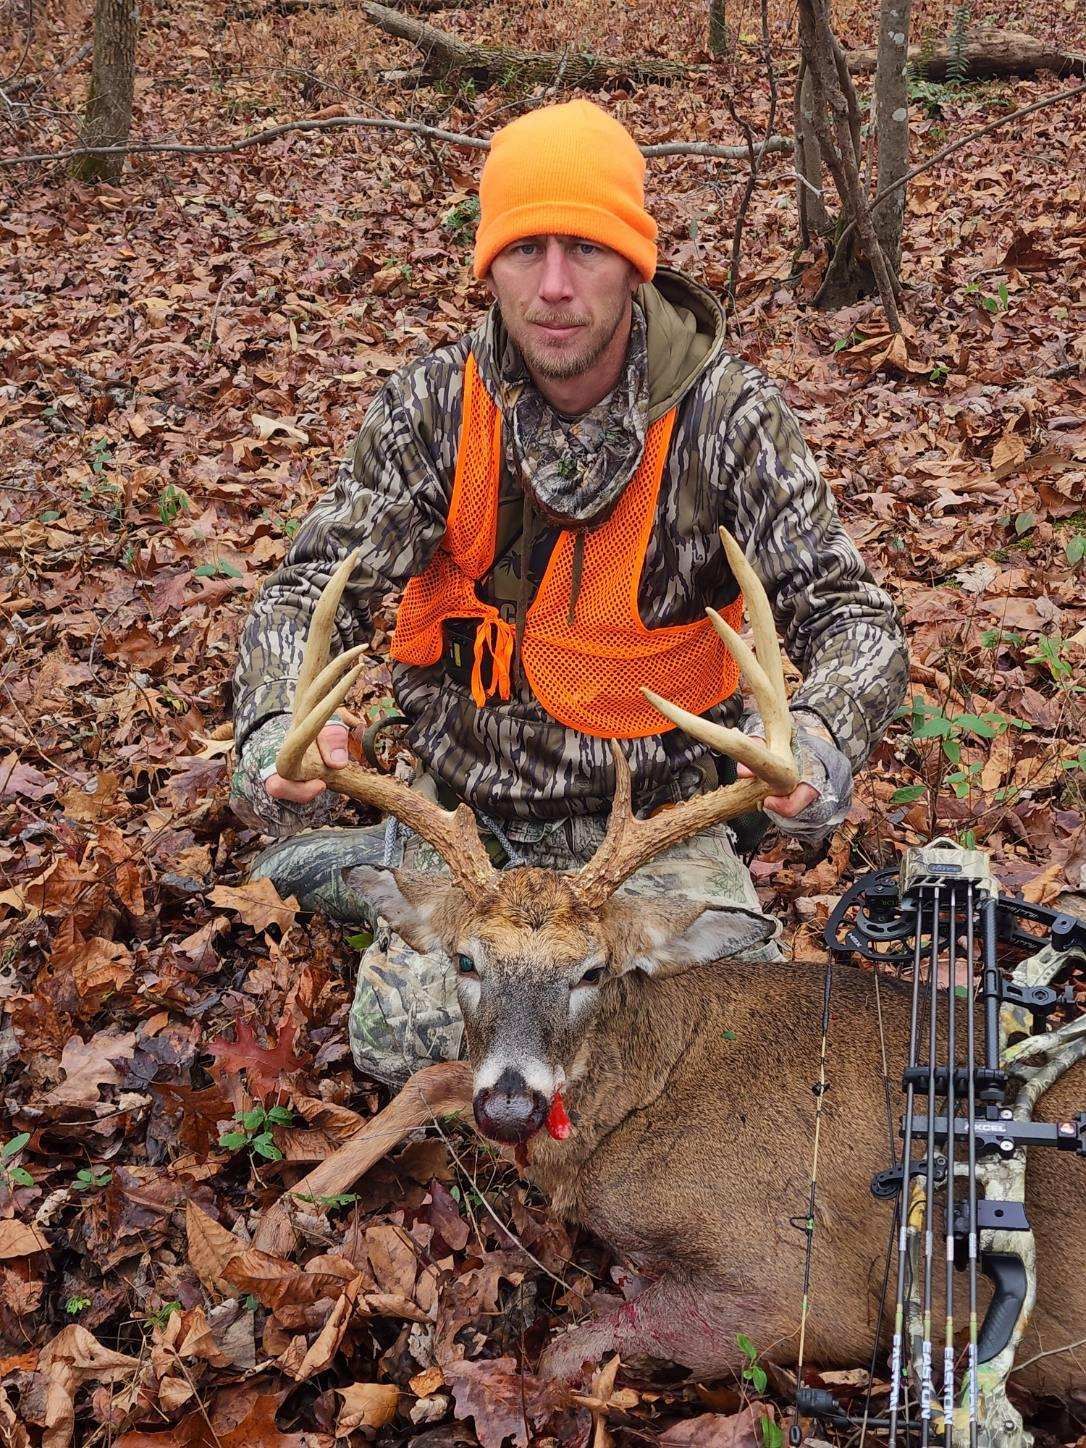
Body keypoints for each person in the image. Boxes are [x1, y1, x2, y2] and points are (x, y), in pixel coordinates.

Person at [230, 99, 908, 1085]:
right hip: (472, 821)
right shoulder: (432, 409)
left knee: (722, 1035)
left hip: (648, 829)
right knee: (405, 1040)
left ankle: (357, 876)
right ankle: (356, 865)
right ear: (487, 266)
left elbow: (854, 615)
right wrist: (274, 731)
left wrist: (820, 734)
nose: (554, 287)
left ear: (635, 263)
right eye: (524, 249)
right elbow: (305, 589)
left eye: (585, 250)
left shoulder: (730, 421)